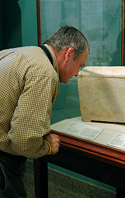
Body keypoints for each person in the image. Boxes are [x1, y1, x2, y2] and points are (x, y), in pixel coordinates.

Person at [0, 26, 90, 197]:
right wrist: (47, 146)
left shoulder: (17, 53)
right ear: (69, 54)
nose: (77, 73)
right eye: (80, 65)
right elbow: (23, 141)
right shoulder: (44, 73)